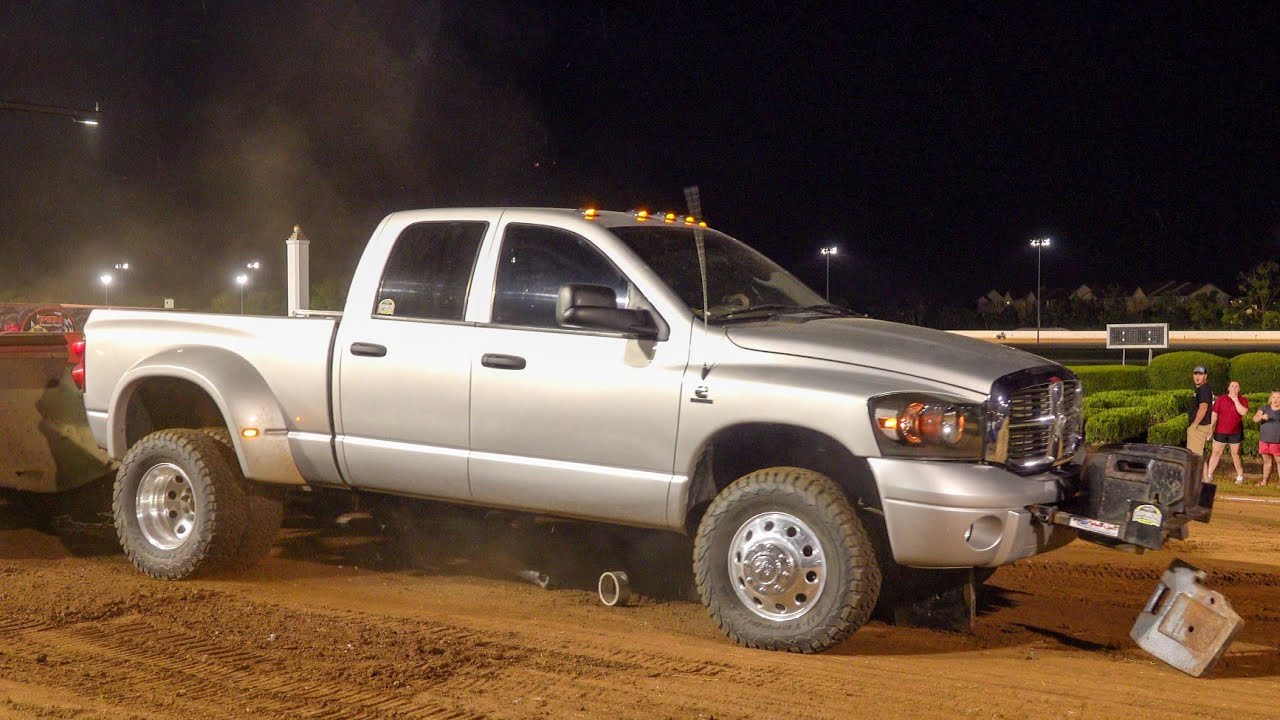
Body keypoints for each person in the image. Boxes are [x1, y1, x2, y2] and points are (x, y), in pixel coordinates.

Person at [1205, 380, 1248, 484]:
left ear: (1239, 389)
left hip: (1235, 432)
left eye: (1236, 386)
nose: (1234, 388)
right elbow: (1214, 414)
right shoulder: (1221, 399)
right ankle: (1209, 475)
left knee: (1235, 454)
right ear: (1228, 388)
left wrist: (1235, 400)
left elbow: (1243, 412)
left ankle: (1240, 476)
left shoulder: (1243, 400)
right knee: (1216, 453)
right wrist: (1210, 428)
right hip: (1221, 431)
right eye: (1232, 386)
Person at [1186, 366, 1214, 460]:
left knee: (1195, 458)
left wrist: (1194, 425)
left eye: (1200, 374)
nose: (1197, 377)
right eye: (1195, 374)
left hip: (1199, 428)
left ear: (1205, 376)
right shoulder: (1202, 389)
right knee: (1200, 459)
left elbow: (1203, 408)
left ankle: (1195, 475)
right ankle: (1205, 476)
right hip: (1201, 426)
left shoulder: (1203, 389)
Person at [1253, 391, 1280, 486]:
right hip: (1264, 440)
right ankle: (1264, 482)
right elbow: (1255, 418)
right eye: (1274, 397)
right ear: (1271, 398)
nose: (1275, 399)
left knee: (1279, 461)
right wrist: (1261, 417)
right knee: (1267, 461)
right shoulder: (1264, 408)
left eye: (1278, 397)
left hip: (1277, 440)